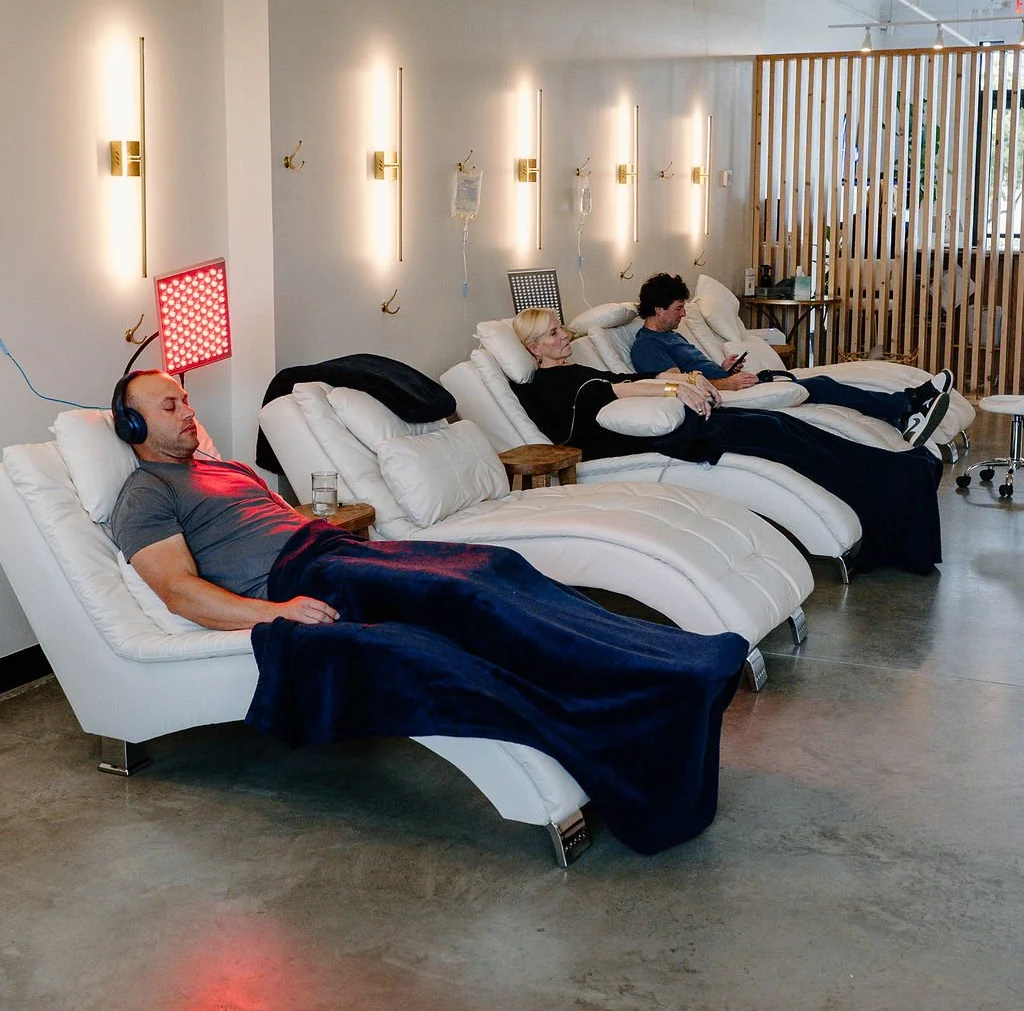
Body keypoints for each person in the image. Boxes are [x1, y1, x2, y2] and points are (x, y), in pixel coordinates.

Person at [107, 368, 750, 855]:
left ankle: (669, 655)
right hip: (303, 578)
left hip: (336, 550)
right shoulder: (147, 494)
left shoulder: (226, 469)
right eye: (171, 405)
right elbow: (178, 591)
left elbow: (284, 521)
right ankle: (654, 689)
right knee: (466, 598)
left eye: (186, 400)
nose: (189, 411)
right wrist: (274, 613)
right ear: (134, 427)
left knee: (495, 566)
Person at [510, 308, 944, 577]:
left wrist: (688, 379)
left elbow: (628, 378)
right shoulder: (546, 387)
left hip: (681, 424)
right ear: (533, 348)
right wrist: (674, 389)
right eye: (553, 334)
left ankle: (896, 471)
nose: (564, 336)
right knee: (778, 435)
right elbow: (617, 392)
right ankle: (895, 486)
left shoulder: (572, 368)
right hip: (653, 443)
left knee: (781, 425)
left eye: (561, 328)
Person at [629, 273, 952, 448]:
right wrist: (727, 383)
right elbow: (679, 387)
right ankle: (904, 407)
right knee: (820, 384)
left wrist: (724, 369)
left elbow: (697, 372)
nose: (683, 314)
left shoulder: (672, 334)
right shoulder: (647, 346)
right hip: (729, 397)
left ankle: (905, 406)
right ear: (658, 310)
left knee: (821, 384)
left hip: (734, 382)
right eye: (678, 309)